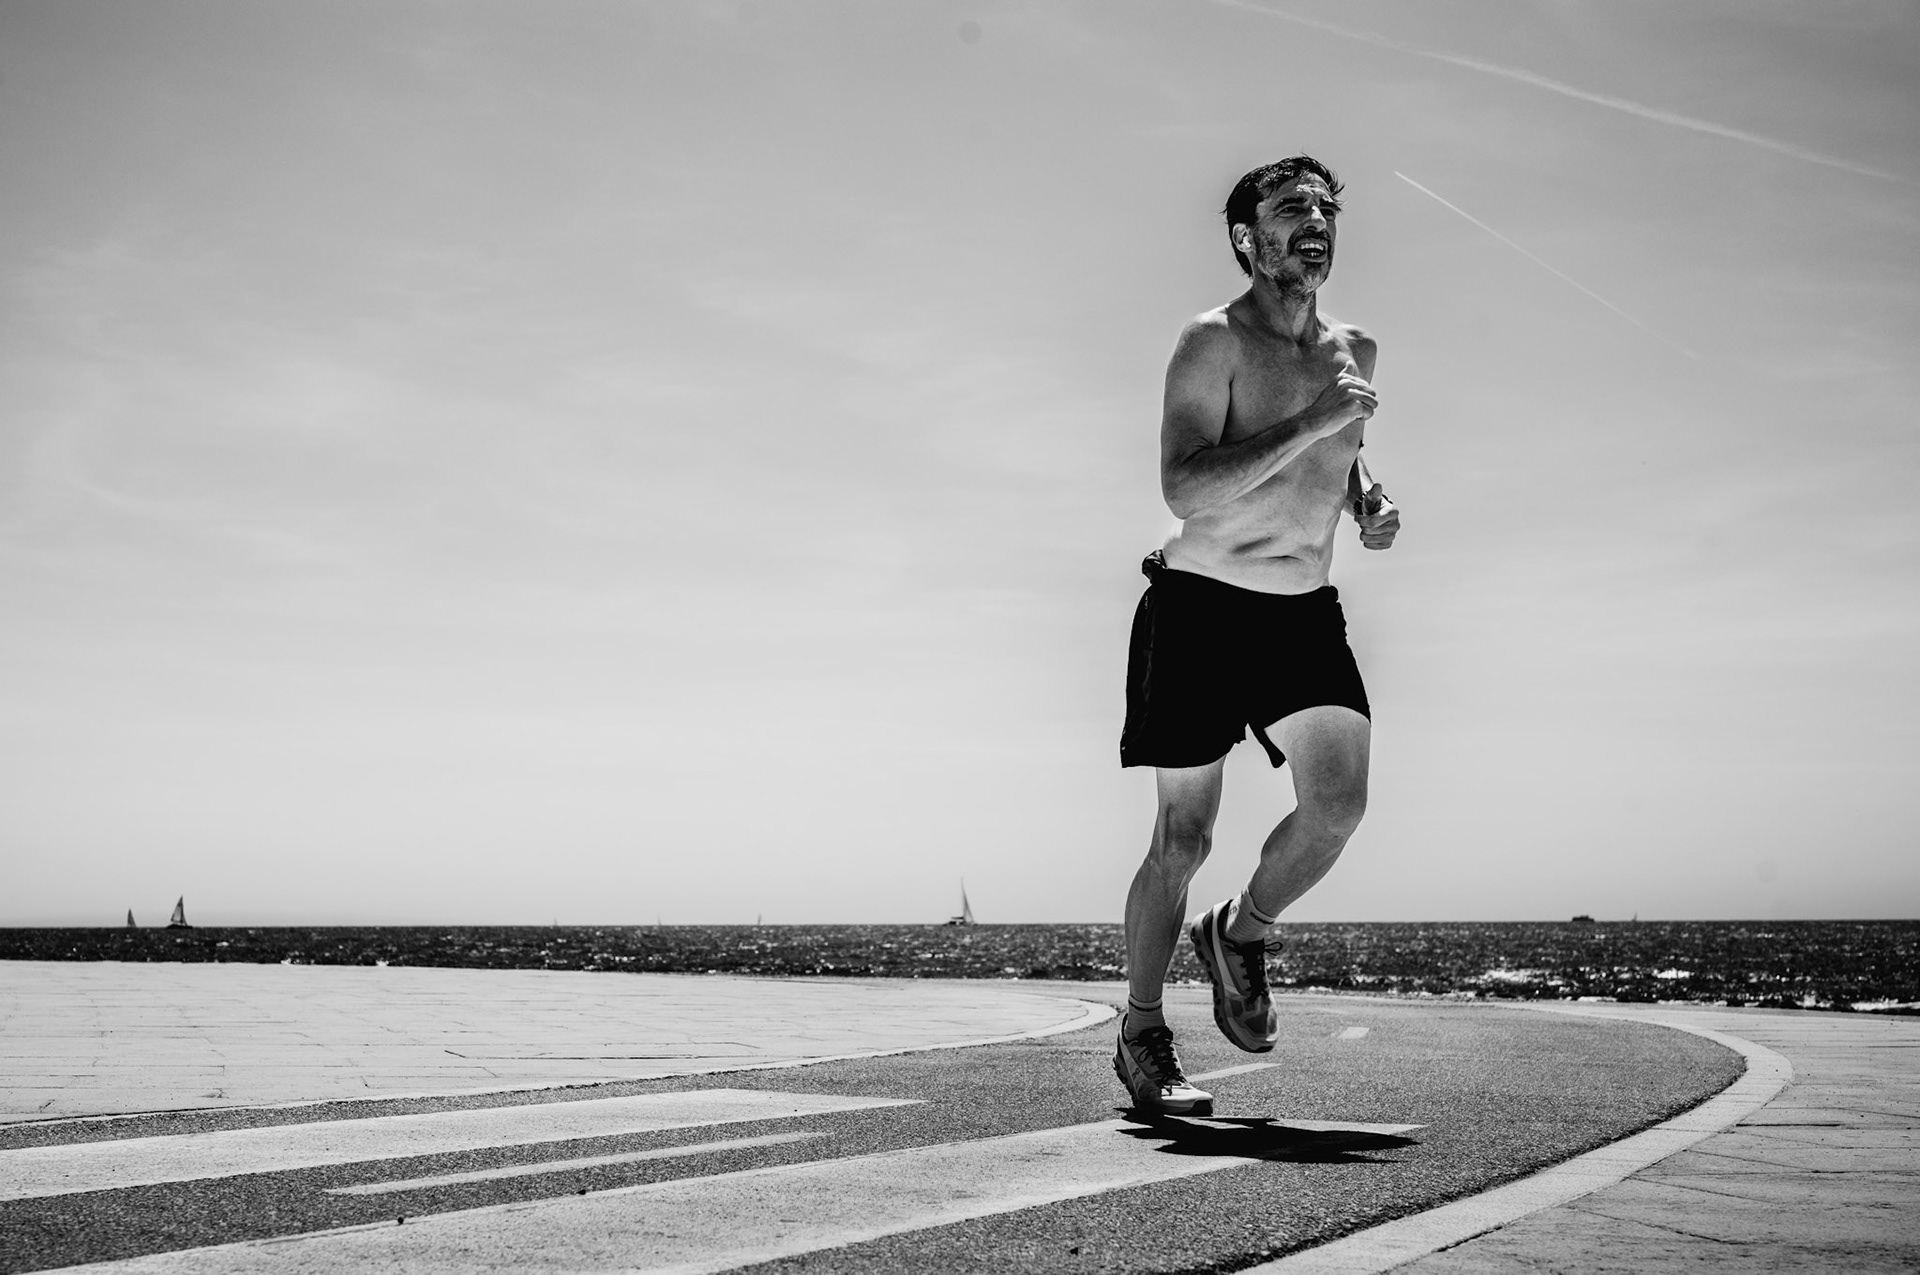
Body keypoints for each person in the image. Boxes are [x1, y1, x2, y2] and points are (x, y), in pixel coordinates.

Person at [1113, 156, 1402, 1115]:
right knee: (1182, 838)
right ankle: (1144, 1030)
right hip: (1198, 607)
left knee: (1338, 808)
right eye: (1290, 209)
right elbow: (1184, 485)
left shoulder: (1356, 346)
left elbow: (1340, 449)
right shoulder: (1212, 342)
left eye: (1325, 207)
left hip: (1300, 613)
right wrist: (1317, 419)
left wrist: (1367, 493)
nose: (1314, 221)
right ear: (1247, 237)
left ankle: (1241, 930)